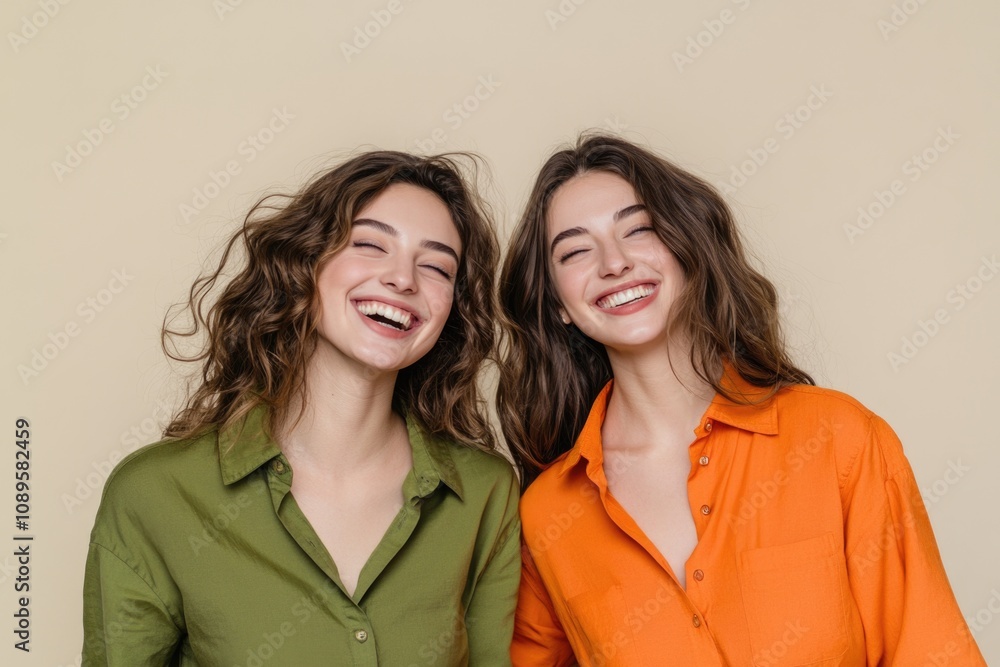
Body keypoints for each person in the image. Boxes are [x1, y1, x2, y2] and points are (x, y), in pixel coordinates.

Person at [498, 134, 985, 666]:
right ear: (558, 302)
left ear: (688, 248)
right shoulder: (548, 516)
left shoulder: (837, 438)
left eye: (638, 229)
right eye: (575, 251)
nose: (613, 263)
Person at [82, 151, 521, 665]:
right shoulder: (156, 494)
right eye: (369, 244)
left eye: (436, 266)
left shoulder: (486, 493)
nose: (404, 279)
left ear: (452, 309)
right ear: (305, 263)